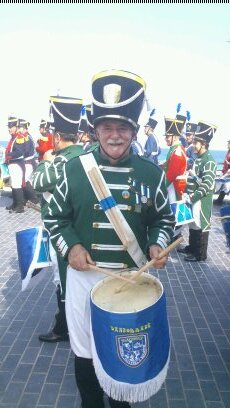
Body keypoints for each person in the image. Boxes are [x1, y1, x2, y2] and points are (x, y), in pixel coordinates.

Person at [44, 69, 175, 408]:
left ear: (133, 131)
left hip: (131, 282)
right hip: (85, 278)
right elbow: (53, 216)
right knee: (85, 353)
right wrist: (71, 245)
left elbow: (164, 217)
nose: (114, 136)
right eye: (107, 128)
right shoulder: (74, 170)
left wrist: (158, 244)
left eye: (122, 128)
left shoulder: (152, 173)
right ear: (96, 130)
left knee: (122, 358)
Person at [31, 95, 84, 342]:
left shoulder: (61, 159)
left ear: (57, 136)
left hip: (62, 229)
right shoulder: (84, 154)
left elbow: (37, 181)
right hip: (78, 226)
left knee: (62, 279)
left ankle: (63, 328)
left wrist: (44, 162)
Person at [178, 121, 217, 262]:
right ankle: (192, 247)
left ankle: (200, 254)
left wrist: (193, 197)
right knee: (193, 224)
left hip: (201, 200)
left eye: (196, 142)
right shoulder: (199, 158)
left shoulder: (209, 161)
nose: (193, 145)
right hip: (193, 198)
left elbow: (207, 185)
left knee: (201, 225)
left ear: (204, 144)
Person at [5, 116, 25, 213]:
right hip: (12, 164)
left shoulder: (19, 137)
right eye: (8, 126)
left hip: (17, 164)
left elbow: (20, 152)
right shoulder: (13, 138)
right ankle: (15, 203)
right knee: (13, 184)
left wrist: (8, 155)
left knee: (17, 185)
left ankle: (20, 206)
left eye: (11, 126)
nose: (9, 129)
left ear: (16, 127)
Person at [17, 119, 39, 205]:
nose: (19, 129)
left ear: (25, 128)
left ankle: (34, 198)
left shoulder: (27, 137)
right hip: (26, 163)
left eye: (21, 127)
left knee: (25, 181)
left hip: (29, 162)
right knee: (24, 181)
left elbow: (25, 151)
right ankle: (25, 198)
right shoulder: (25, 137)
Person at [214, 139, 230, 204]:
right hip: (225, 171)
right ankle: (219, 200)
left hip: (228, 172)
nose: (228, 145)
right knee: (224, 186)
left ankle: (220, 200)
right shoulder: (228, 152)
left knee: (226, 186)